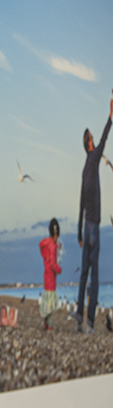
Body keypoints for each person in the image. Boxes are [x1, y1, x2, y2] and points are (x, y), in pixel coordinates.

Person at [75, 96, 113, 333]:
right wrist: (110, 115)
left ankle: (79, 317)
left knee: (83, 275)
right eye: (92, 139)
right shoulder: (95, 156)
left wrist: (78, 232)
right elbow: (105, 137)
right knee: (95, 276)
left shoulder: (84, 169)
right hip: (94, 228)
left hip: (86, 226)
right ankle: (89, 321)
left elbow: (80, 203)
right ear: (90, 143)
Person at [39, 218, 63, 330]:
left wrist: (56, 246)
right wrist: (59, 269)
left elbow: (48, 257)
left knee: (46, 302)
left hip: (46, 277)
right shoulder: (53, 246)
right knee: (50, 305)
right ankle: (50, 325)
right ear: (56, 233)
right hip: (51, 280)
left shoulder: (48, 244)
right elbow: (53, 264)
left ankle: (45, 323)